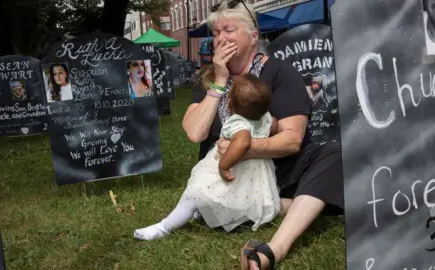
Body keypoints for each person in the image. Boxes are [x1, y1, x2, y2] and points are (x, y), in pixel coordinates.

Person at [182, 0, 343, 269]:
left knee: (335, 154)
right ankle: (288, 205)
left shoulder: (279, 72)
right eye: (217, 32)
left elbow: (292, 139)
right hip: (229, 177)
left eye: (229, 30)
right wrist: (220, 81)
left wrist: (244, 148)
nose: (221, 38)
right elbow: (196, 133)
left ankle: (274, 248)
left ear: (253, 36)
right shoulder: (208, 78)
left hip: (280, 170)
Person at [133, 73, 281, 241]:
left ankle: (164, 226)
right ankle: (212, 213)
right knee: (240, 197)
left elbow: (243, 142)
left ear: (229, 103)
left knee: (196, 193)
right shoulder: (265, 118)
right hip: (254, 176)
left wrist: (223, 166)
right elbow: (274, 126)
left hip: (234, 169)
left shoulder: (237, 122)